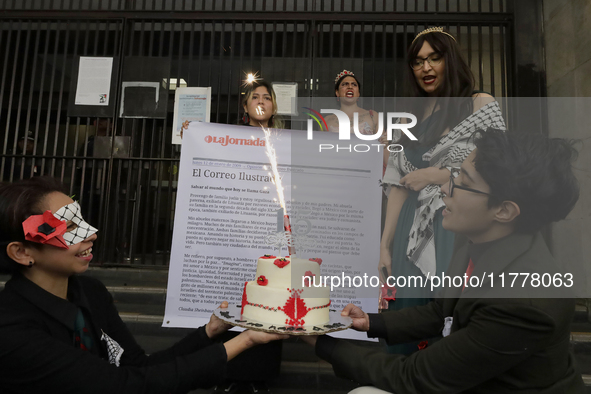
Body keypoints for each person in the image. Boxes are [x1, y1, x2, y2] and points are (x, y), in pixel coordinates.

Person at [301, 129, 585, 393]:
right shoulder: (479, 241)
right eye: (455, 176)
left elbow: (416, 377)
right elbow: (442, 312)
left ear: (504, 211)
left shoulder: (522, 303)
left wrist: (324, 345)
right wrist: (370, 323)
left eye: (464, 183)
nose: (445, 189)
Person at [0, 176, 286, 393]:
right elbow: (128, 385)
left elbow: (139, 366)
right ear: (22, 252)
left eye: (82, 220)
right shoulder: (12, 328)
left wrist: (210, 332)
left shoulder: (90, 293)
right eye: (69, 227)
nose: (92, 235)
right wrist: (245, 339)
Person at [378, 27, 506, 353]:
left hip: (456, 223)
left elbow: (497, 167)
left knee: (450, 319)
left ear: (450, 60)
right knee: (409, 317)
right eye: (418, 61)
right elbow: (398, 184)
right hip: (411, 228)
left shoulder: (479, 103)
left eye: (435, 58)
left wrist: (439, 175)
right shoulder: (411, 116)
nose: (426, 68)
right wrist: (385, 245)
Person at [326, 70, 388, 169]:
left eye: (354, 84)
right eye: (345, 84)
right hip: (336, 172)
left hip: (367, 173)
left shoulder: (373, 116)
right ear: (337, 92)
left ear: (358, 93)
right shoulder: (327, 120)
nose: (350, 87)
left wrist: (385, 145)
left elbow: (386, 158)